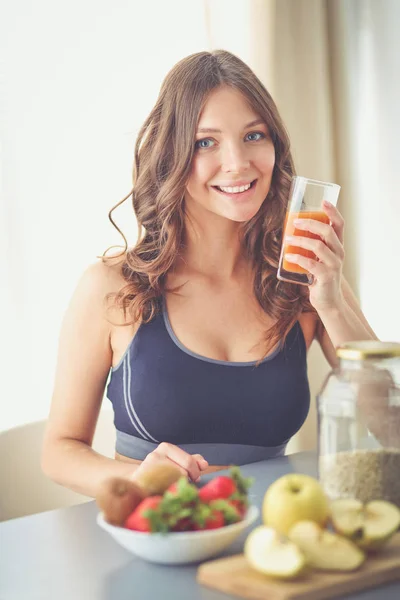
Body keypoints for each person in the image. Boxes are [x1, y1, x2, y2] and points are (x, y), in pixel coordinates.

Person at [42, 50, 377, 498]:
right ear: (172, 154)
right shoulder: (112, 288)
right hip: (156, 533)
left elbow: (390, 420)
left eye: (253, 135)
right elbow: (59, 450)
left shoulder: (304, 280)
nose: (238, 163)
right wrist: (134, 480)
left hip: (269, 541)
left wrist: (332, 303)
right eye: (206, 142)